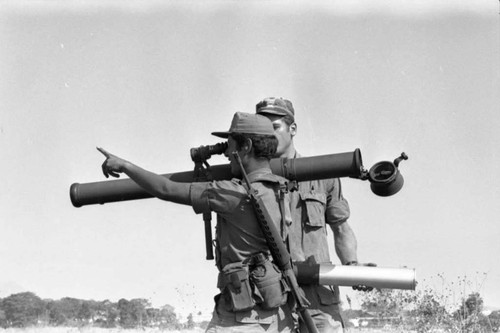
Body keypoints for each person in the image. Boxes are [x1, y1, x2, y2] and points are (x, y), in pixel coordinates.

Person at [98, 112, 295, 333]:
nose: (228, 153)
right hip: (276, 314)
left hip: (242, 319)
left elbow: (166, 189)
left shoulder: (235, 194)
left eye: (230, 146)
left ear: (246, 146)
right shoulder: (280, 188)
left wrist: (125, 166)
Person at [256, 97, 371, 333]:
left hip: (318, 296)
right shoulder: (251, 183)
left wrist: (352, 265)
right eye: (262, 130)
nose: (268, 136)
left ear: (293, 128)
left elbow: (341, 227)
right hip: (270, 298)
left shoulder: (323, 175)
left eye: (275, 127)